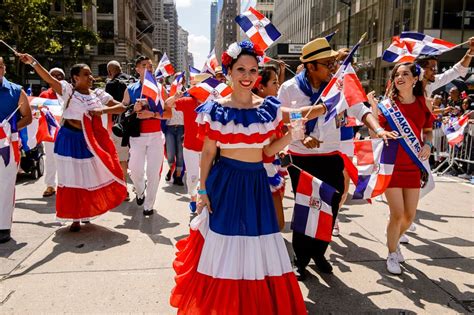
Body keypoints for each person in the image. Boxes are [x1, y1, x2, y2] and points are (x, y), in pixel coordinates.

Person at [170, 41, 307, 314]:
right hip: (226, 182)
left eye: (253, 70)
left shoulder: (268, 108)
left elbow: (267, 151)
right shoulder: (215, 109)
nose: (247, 76)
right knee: (225, 242)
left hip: (256, 182)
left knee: (259, 241)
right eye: (241, 69)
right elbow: (208, 153)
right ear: (229, 71)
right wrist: (203, 191)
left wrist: (291, 136)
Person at [278, 37, 396, 280]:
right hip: (301, 158)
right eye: (327, 63)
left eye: (333, 62)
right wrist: (302, 137)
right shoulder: (289, 88)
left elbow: (360, 109)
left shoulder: (338, 86)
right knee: (307, 207)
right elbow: (280, 120)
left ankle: (319, 252)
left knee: (330, 207)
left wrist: (379, 129)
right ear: (311, 66)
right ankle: (300, 259)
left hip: (331, 155)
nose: (333, 66)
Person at [18, 53, 128, 232]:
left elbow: (121, 106)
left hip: (89, 141)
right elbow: (48, 77)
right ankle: (75, 217)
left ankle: (86, 213)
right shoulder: (68, 91)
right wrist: (33, 62)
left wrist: (101, 110)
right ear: (75, 78)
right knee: (71, 178)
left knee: (88, 176)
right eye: (86, 74)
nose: (91, 77)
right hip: (68, 139)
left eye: (90, 75)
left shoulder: (98, 94)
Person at [376, 62, 434, 275]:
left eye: (405, 74)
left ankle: (395, 239)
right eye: (397, 74)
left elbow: (428, 131)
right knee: (397, 214)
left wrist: (428, 144)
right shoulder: (387, 105)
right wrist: (374, 109)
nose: (400, 77)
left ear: (415, 79)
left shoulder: (422, 103)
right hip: (392, 165)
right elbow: (376, 134)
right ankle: (392, 253)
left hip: (412, 166)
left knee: (409, 216)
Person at [122, 56, 172, 216]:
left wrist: (152, 114)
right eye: (144, 65)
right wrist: (132, 108)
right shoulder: (130, 89)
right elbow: (123, 111)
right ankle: (140, 191)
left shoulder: (160, 88)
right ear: (137, 69)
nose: (148, 68)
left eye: (150, 66)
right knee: (135, 170)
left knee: (153, 172)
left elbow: (169, 113)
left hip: (156, 136)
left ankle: (148, 205)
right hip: (136, 136)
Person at [166, 73, 211, 213]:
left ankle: (204, 201)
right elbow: (168, 104)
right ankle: (193, 197)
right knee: (193, 176)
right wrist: (176, 96)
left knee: (208, 177)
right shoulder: (187, 102)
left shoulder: (213, 104)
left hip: (208, 148)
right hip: (190, 147)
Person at [0, 56, 32, 243]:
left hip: (8, 145)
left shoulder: (16, 91)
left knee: (5, 185)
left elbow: (27, 117)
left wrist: (10, 129)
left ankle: (3, 226)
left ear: (4, 68)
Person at [105, 60, 131, 201]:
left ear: (110, 72)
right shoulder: (131, 80)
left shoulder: (111, 84)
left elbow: (108, 105)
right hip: (134, 126)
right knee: (126, 158)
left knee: (119, 159)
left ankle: (123, 189)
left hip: (116, 126)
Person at [39, 67, 65, 198]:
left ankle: (65, 185)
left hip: (67, 133)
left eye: (59, 76)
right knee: (50, 159)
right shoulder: (44, 95)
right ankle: (50, 185)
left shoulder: (68, 93)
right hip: (50, 134)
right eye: (53, 75)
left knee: (66, 160)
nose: (56, 78)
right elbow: (38, 114)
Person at [164, 99, 185, 186]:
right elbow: (165, 105)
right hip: (169, 128)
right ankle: (172, 169)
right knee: (170, 152)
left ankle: (178, 176)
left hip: (181, 128)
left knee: (180, 153)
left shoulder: (185, 98)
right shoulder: (169, 98)